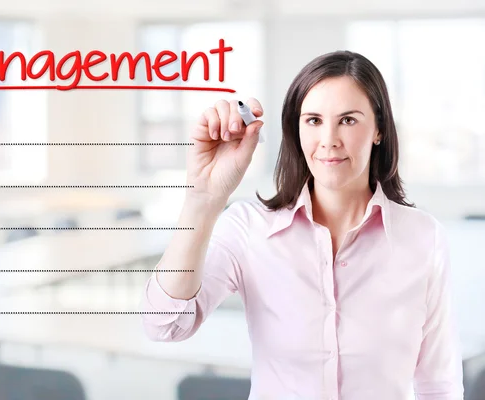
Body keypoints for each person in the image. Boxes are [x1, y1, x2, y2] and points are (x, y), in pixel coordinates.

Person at [139, 50, 464, 399]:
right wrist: (202, 200)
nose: (329, 140)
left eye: (348, 120)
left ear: (380, 129)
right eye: (313, 120)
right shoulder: (250, 229)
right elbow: (165, 325)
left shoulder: (422, 238)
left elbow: (438, 385)